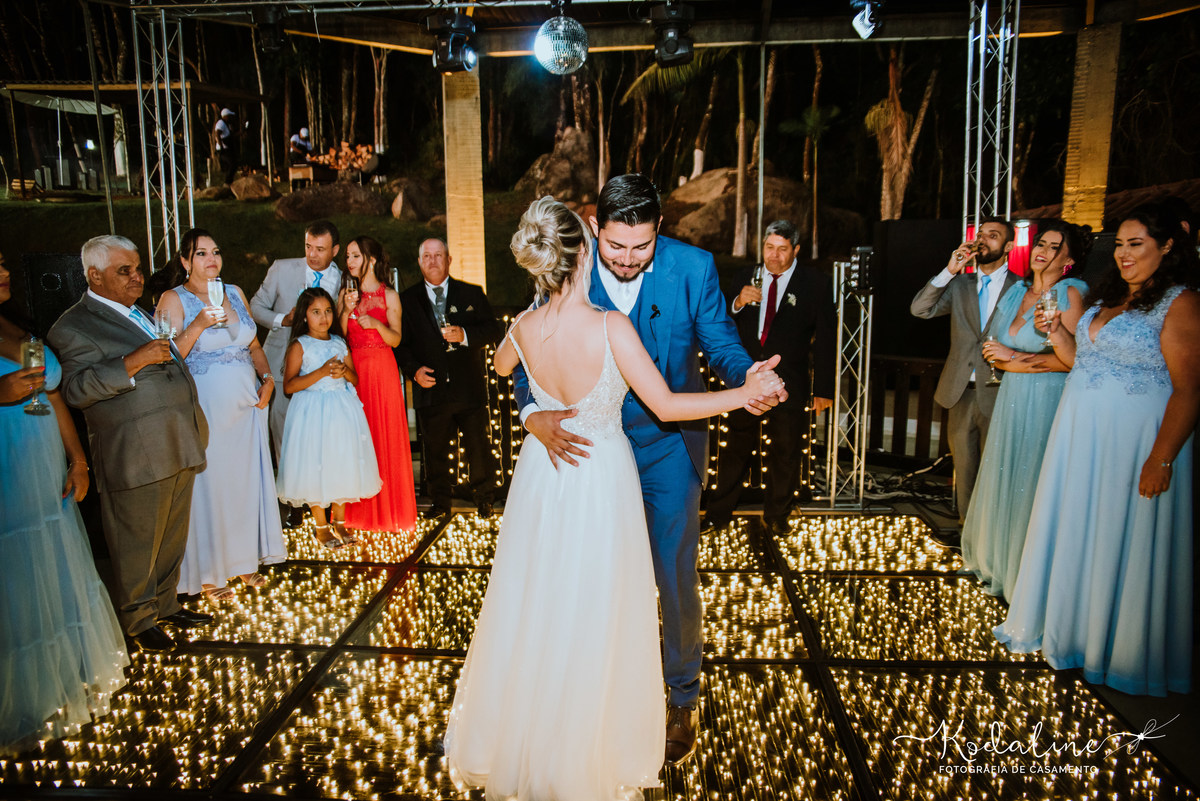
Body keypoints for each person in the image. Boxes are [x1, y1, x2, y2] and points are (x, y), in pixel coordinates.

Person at [445, 197, 783, 799]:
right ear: (589, 247)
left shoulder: (525, 325)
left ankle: (547, 726)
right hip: (598, 469)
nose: (624, 258)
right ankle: (593, 739)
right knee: (603, 601)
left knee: (544, 596)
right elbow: (670, 404)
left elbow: (501, 364)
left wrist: (536, 313)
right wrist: (743, 397)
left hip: (547, 482)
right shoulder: (608, 325)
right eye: (611, 247)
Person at [995, 205, 1200, 696]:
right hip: (1080, 437)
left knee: (1122, 536)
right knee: (1080, 528)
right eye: (1121, 245)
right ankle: (1075, 636)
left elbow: (1189, 389)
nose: (1125, 255)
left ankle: (1124, 650)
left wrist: (1161, 457)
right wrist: (1058, 334)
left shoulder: (1181, 303)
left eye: (1137, 244)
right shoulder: (1109, 298)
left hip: (1135, 445)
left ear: (1167, 246)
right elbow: (1075, 359)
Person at [47, 235, 212, 653]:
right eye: (125, 271)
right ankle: (138, 620)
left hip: (177, 437)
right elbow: (76, 390)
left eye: (138, 267)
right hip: (134, 450)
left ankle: (167, 603)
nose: (137, 276)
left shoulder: (136, 311)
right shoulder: (72, 325)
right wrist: (135, 361)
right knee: (137, 538)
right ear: (94, 275)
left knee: (172, 532)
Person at [0, 250, 129, 755]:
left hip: (44, 467)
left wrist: (78, 460)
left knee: (47, 570)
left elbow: (53, 394)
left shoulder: (15, 323)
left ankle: (55, 683)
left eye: (7, 262)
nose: (7, 270)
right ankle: (19, 703)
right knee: (14, 580)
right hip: (7, 470)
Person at [959, 221, 1089, 601]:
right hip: (1012, 397)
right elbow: (993, 345)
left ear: (1069, 258)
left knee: (1033, 481)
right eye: (1040, 244)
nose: (1042, 251)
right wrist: (1005, 359)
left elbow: (1074, 361)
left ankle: (1030, 578)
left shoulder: (1070, 292)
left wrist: (1013, 358)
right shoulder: (1016, 292)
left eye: (1053, 247)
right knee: (1006, 478)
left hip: (1047, 399)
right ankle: (1001, 564)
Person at [154, 228, 286, 602]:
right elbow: (162, 356)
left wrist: (267, 379)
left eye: (215, 251)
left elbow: (254, 344)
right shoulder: (173, 299)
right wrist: (197, 326)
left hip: (247, 407)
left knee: (243, 484)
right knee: (211, 487)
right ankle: (211, 572)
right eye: (200, 254)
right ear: (184, 261)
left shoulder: (236, 293)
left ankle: (244, 561)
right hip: (206, 408)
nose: (211, 260)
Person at [702, 219, 836, 534]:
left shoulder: (815, 283)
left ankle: (777, 515)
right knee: (733, 449)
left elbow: (827, 338)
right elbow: (720, 320)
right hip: (746, 379)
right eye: (769, 247)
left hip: (791, 382)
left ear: (796, 250)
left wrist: (825, 388)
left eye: (782, 249)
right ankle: (718, 513)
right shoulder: (744, 276)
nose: (773, 256)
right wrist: (737, 302)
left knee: (786, 451)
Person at [911, 218, 1019, 524]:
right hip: (960, 392)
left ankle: (992, 537)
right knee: (966, 470)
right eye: (980, 235)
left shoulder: (1022, 287)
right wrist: (949, 270)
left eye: (993, 236)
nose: (983, 240)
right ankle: (966, 537)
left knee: (997, 470)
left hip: (1002, 391)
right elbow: (919, 309)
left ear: (1009, 246)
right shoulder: (959, 284)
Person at [395, 238, 501, 519]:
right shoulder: (406, 300)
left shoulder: (472, 293)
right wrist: (414, 371)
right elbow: (401, 345)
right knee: (435, 451)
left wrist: (465, 336)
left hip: (468, 388)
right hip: (430, 389)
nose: (432, 261)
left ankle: (485, 499)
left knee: (478, 447)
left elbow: (493, 329)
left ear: (448, 259)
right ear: (419, 262)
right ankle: (440, 504)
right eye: (426, 256)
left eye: (438, 255)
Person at [276, 288, 381, 549]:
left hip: (342, 409)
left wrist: (344, 371)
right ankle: (321, 526)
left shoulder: (338, 341)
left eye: (327, 311)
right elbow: (289, 386)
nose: (323, 318)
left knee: (341, 461)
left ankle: (340, 523)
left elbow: (355, 379)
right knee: (315, 463)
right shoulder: (300, 345)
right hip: (312, 411)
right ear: (304, 316)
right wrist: (322, 372)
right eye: (316, 312)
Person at [338, 236, 417, 536]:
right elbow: (338, 334)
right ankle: (356, 514)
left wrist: (378, 326)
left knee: (385, 434)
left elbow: (396, 339)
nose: (349, 262)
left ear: (370, 259)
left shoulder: (390, 296)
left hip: (382, 369)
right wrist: (346, 310)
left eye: (355, 256)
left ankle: (389, 512)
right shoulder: (346, 295)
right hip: (354, 368)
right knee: (357, 437)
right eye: (347, 256)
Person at [250, 220, 342, 463]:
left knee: (320, 437)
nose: (312, 254)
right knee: (283, 430)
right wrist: (283, 320)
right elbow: (255, 307)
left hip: (323, 373)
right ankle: (289, 495)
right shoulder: (281, 269)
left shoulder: (344, 281)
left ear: (335, 251)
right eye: (308, 246)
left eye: (320, 249)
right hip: (281, 364)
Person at [214, 108, 239, 185]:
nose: (231, 118)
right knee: (232, 164)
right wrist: (221, 146)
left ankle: (229, 181)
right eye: (229, 116)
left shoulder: (227, 124)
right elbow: (217, 134)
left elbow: (231, 136)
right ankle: (227, 182)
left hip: (227, 147)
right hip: (223, 149)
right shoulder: (221, 123)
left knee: (233, 164)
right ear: (226, 116)